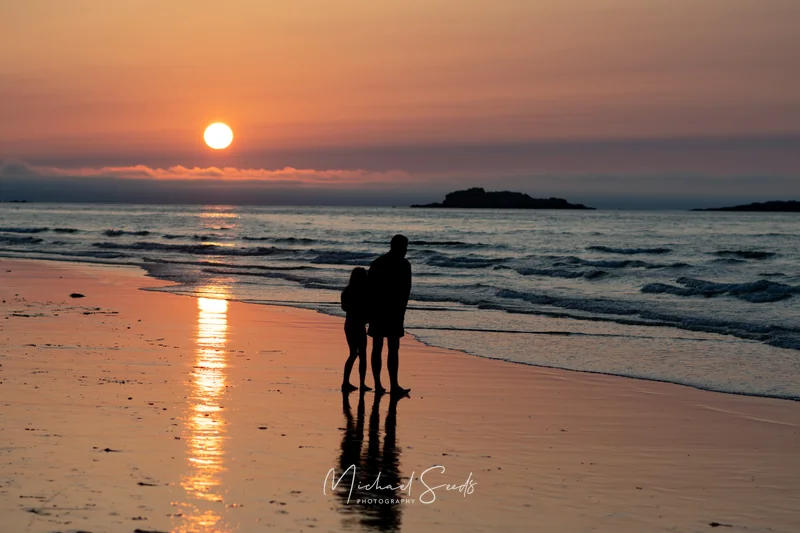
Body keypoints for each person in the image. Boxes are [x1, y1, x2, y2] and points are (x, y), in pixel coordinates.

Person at [367, 234, 412, 396]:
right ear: (399, 247)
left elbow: (369, 289)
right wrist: (402, 311)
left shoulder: (378, 263)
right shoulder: (404, 264)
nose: (406, 250)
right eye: (405, 247)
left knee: (377, 347)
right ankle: (393, 385)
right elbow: (406, 290)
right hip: (394, 311)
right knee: (393, 348)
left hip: (378, 310)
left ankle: (379, 385)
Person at [341, 267, 372, 392]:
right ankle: (362, 383)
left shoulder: (347, 291)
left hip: (348, 324)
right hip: (358, 325)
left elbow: (344, 308)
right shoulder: (362, 292)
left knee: (353, 353)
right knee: (362, 354)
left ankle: (345, 382)